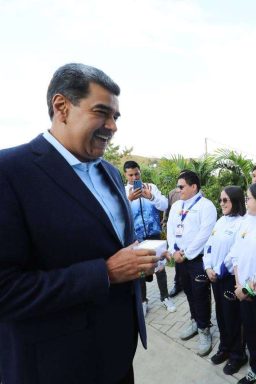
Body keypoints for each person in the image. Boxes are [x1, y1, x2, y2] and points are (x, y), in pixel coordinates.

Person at [0, 63, 158, 383]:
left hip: (118, 353)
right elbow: (5, 290)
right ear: (62, 107)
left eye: (116, 117)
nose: (112, 126)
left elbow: (111, 245)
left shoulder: (110, 173)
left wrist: (137, 260)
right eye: (102, 112)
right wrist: (106, 272)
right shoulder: (10, 172)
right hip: (58, 365)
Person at [165, 170, 217, 356]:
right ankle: (195, 321)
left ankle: (204, 330)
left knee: (200, 293)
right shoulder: (177, 205)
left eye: (182, 186)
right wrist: (173, 250)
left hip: (197, 260)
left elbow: (205, 234)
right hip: (180, 259)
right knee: (188, 291)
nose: (178, 190)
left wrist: (185, 254)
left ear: (194, 186)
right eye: (178, 187)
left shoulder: (206, 206)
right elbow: (170, 228)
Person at [230, 182, 256, 384]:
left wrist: (249, 288)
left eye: (249, 198)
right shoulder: (246, 221)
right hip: (243, 290)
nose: (246, 201)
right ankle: (255, 369)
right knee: (249, 332)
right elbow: (237, 255)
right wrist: (240, 285)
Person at [204, 186, 248, 375]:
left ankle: (238, 355)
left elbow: (236, 251)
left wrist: (221, 269)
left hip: (229, 277)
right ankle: (225, 348)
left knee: (233, 318)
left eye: (225, 200)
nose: (221, 203)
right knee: (221, 315)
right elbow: (209, 246)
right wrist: (207, 267)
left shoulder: (242, 223)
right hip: (214, 277)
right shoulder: (221, 221)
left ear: (236, 201)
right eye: (220, 200)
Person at [123, 160, 176, 314]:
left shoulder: (151, 187)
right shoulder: (122, 191)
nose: (134, 177)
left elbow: (165, 205)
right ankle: (143, 301)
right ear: (126, 175)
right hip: (136, 238)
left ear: (140, 172)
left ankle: (165, 297)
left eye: (136, 173)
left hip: (154, 234)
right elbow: (118, 212)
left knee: (160, 267)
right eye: (131, 175)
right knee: (140, 270)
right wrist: (129, 199)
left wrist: (151, 197)